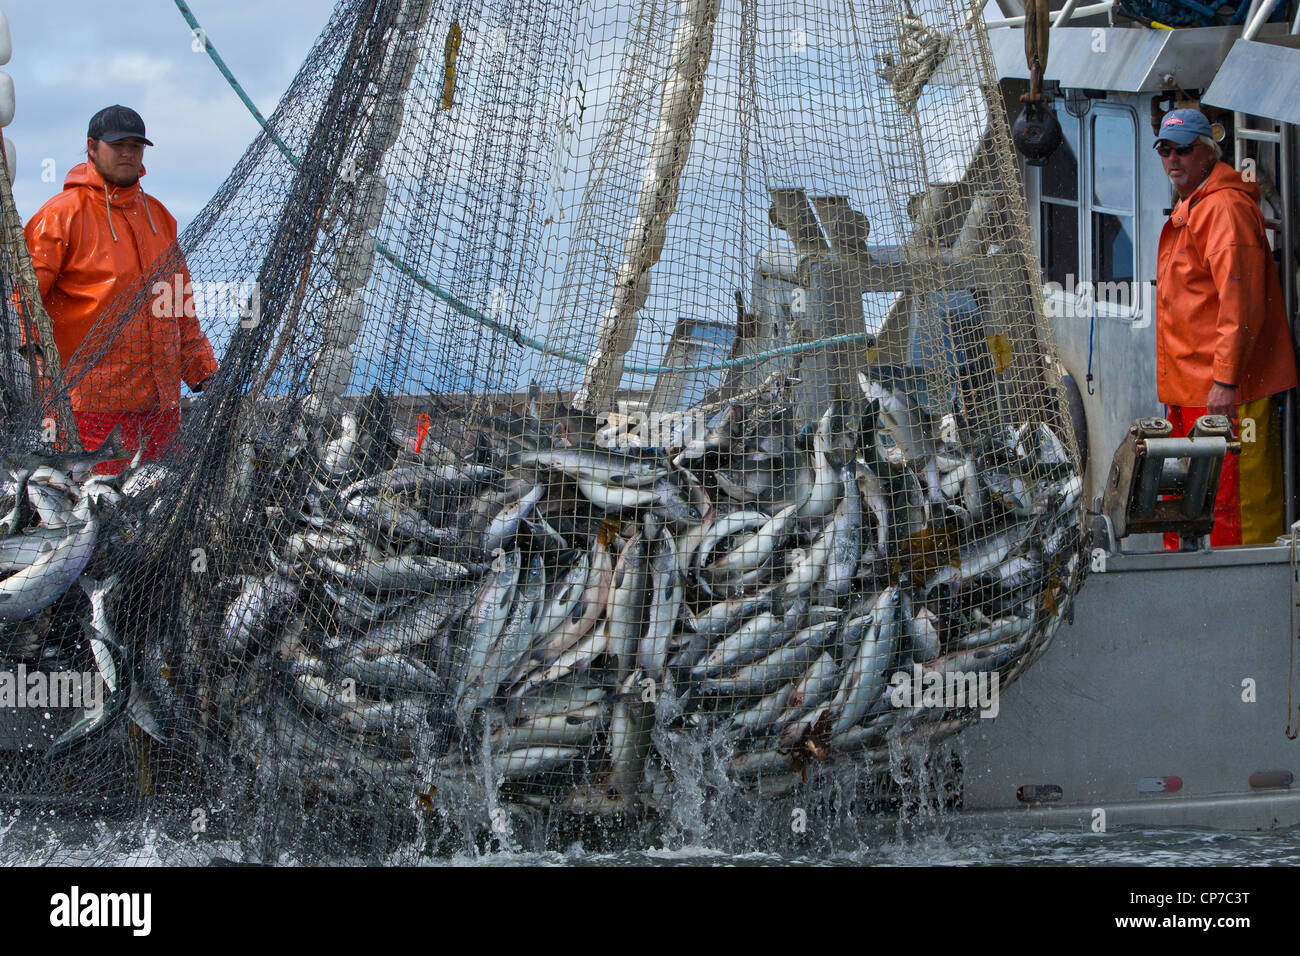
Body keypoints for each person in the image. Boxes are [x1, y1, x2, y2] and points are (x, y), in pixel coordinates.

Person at [21, 105, 218, 471]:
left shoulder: (160, 217)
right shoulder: (61, 214)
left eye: (136, 146)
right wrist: (31, 350)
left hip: (160, 411)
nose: (128, 153)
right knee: (91, 503)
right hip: (87, 410)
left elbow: (180, 309)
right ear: (91, 147)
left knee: (157, 500)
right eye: (117, 145)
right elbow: (23, 297)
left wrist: (205, 375)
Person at [1154, 108, 1297, 547]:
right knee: (1194, 504)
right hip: (1192, 390)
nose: (1173, 158)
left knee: (1234, 513)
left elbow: (1240, 304)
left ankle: (1244, 589)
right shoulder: (1195, 204)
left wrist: (1225, 381)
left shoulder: (1225, 210)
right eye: (1165, 149)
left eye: (1183, 149)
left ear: (1207, 152)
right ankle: (1192, 582)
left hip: (1225, 393)